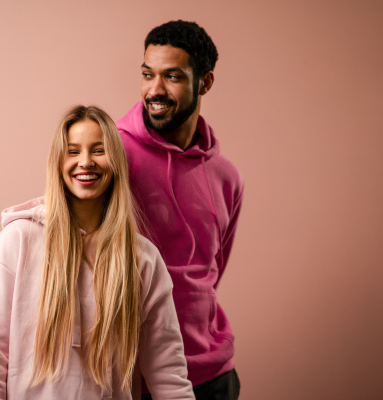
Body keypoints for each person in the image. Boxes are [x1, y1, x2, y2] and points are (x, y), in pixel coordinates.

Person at [0, 105, 195, 400]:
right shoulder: (16, 243)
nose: (85, 162)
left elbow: (169, 378)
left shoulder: (143, 260)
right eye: (73, 151)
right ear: (58, 162)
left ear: (116, 161)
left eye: (99, 150)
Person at [116, 21, 244, 400]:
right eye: (147, 75)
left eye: (171, 76)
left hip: (213, 373)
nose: (154, 90)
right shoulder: (113, 156)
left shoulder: (226, 176)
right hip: (134, 375)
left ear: (204, 83)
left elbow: (213, 270)